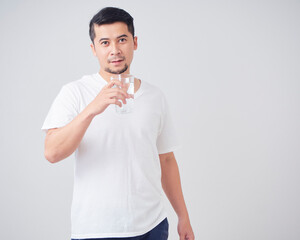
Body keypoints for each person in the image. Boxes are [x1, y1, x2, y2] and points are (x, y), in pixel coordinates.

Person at [41, 7, 194, 240]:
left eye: (122, 40)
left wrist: (183, 216)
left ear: (134, 43)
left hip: (152, 226)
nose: (115, 50)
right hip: (96, 229)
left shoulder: (155, 96)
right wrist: (92, 109)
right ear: (94, 49)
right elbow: (52, 152)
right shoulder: (75, 92)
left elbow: (167, 159)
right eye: (105, 43)